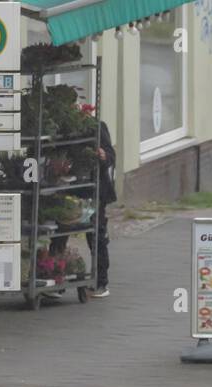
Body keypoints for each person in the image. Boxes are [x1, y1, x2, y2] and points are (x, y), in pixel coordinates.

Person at [86, 105, 116, 297]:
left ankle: (101, 281)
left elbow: (111, 155)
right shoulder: (63, 130)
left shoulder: (98, 127)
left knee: (96, 233)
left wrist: (105, 156)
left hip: (96, 190)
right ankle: (56, 278)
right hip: (74, 188)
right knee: (60, 234)